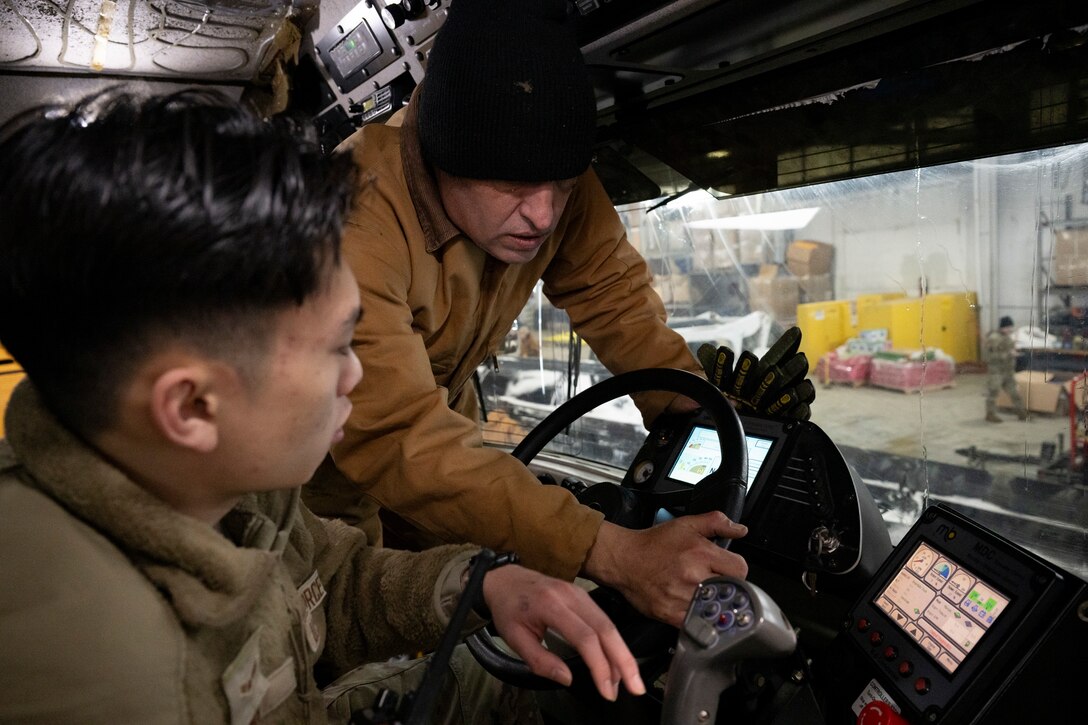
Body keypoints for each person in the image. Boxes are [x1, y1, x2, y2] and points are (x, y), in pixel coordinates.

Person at [0, 88, 645, 723]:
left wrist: (480, 583)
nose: (356, 375)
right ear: (192, 407)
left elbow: (326, 586)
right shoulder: (111, 680)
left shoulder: (227, 481)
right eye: (338, 348)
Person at [302, 0, 754, 629]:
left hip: (445, 435)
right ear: (442, 155)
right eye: (513, 187)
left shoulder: (546, 169)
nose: (543, 215)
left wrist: (708, 414)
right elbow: (395, 434)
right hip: (319, 462)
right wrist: (612, 552)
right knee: (340, 618)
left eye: (562, 186)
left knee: (466, 605)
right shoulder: (353, 218)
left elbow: (616, 299)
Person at [983, 315, 1028, 422]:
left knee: (1015, 393)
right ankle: (990, 414)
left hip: (1008, 371)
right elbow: (989, 357)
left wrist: (1014, 353)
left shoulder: (1007, 337)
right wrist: (1008, 354)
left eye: (1010, 327)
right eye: (1008, 327)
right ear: (1002, 327)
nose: (1010, 329)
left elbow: (1008, 350)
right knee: (993, 393)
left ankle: (1022, 413)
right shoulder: (993, 338)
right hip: (997, 372)